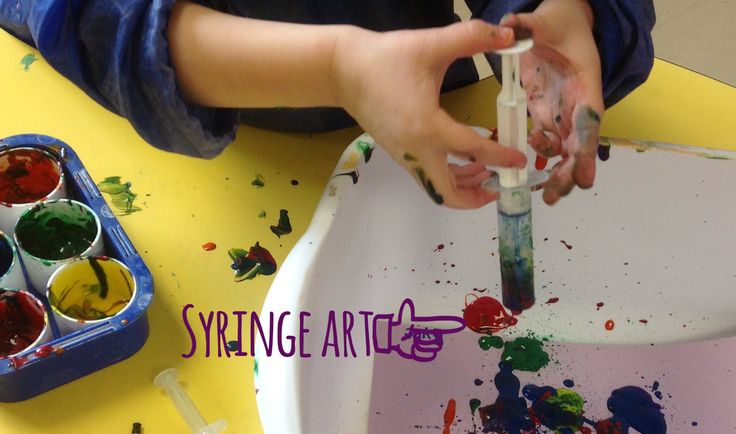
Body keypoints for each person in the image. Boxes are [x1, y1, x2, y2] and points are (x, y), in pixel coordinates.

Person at [0, 0, 654, 209]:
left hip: (419, 112)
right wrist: (336, 71)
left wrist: (557, 7)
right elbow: (84, 16)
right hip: (203, 153)